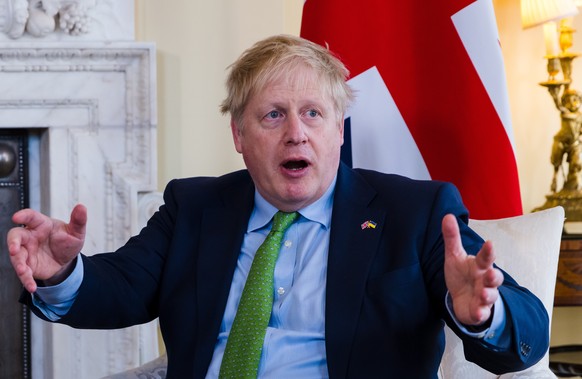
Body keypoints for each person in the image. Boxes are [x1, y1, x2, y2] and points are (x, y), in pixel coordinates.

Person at [7, 34, 548, 378]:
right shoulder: (194, 207)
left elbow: (528, 333)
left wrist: (484, 314)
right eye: (273, 116)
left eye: (313, 114)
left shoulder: (416, 213)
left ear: (339, 130)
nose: (296, 134)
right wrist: (61, 275)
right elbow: (120, 289)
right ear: (239, 134)